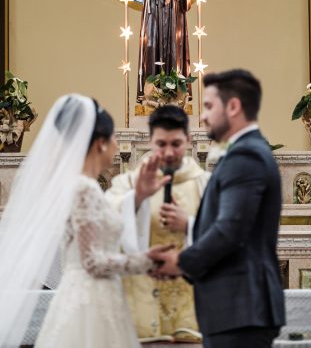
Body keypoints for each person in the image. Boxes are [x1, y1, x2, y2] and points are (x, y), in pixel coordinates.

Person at [0, 94, 167, 348]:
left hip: (95, 297)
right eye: (112, 138)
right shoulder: (83, 189)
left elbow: (103, 226)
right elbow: (91, 261)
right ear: (100, 143)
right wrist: (147, 261)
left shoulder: (84, 187)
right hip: (89, 301)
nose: (115, 144)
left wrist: (139, 196)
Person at [150, 69, 286, 348]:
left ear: (233, 106)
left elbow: (230, 231)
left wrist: (180, 262)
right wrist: (191, 227)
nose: (202, 116)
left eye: (209, 106)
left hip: (240, 307)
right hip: (237, 308)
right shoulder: (247, 152)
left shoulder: (246, 155)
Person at [108, 105, 210, 342]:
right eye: (161, 144)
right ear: (150, 140)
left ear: (188, 140)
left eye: (176, 144)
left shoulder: (205, 184)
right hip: (140, 308)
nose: (168, 152)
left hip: (191, 311)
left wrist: (189, 224)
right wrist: (136, 198)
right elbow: (105, 223)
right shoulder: (128, 183)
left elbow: (225, 235)